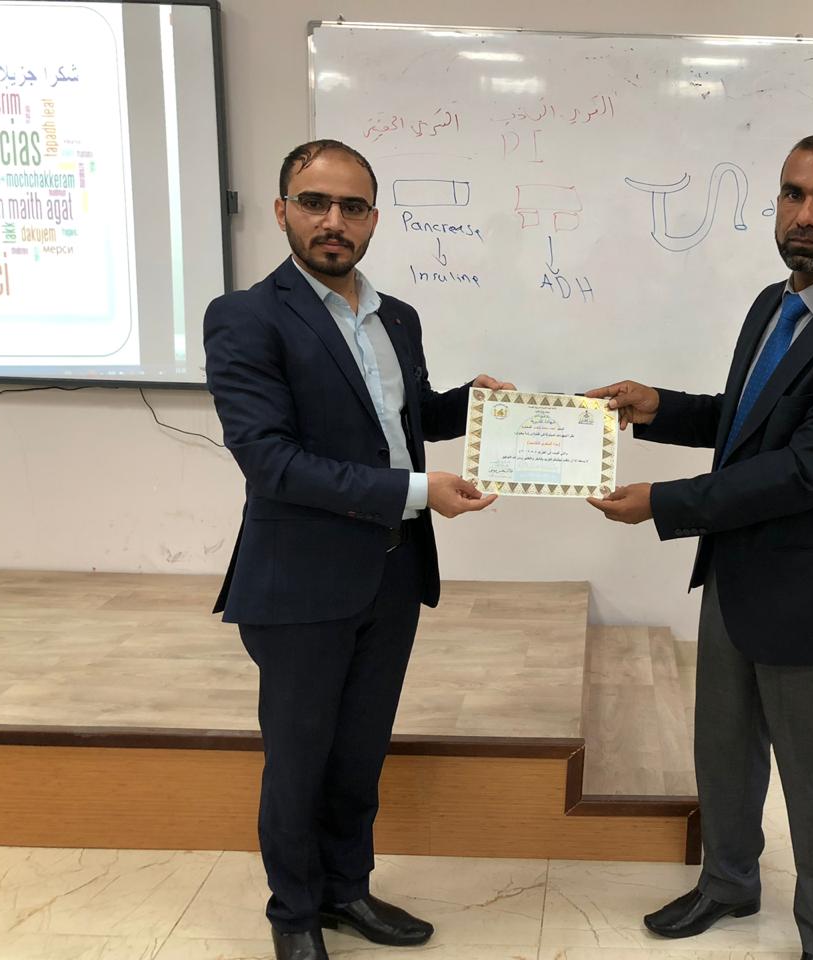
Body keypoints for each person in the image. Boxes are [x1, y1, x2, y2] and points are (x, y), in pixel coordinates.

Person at [586, 134, 813, 960]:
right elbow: (746, 424)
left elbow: (805, 471)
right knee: (725, 753)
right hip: (737, 579)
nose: (806, 214)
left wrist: (663, 503)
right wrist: (659, 407)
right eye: (792, 193)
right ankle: (729, 883)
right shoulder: (772, 303)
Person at [204, 138, 512, 960]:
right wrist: (418, 491)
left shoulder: (396, 316)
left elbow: (397, 421)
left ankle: (347, 891)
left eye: (352, 206)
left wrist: (472, 406)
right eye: (315, 202)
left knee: (359, 753)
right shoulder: (246, 317)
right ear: (283, 211)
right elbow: (272, 462)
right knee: (298, 759)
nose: (333, 220)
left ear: (374, 218)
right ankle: (294, 915)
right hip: (300, 582)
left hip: (393, 570)